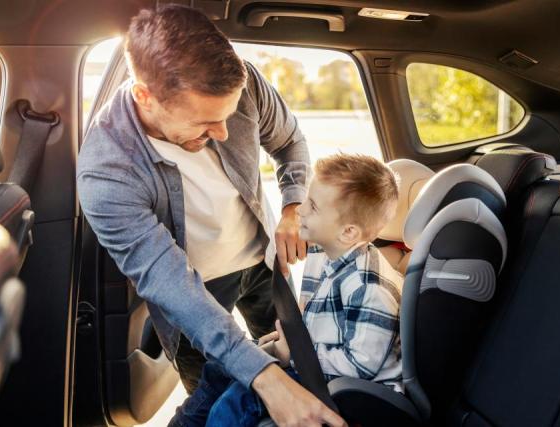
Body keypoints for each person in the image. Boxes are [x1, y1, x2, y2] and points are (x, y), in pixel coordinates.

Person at [76, 5, 343, 426]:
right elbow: (172, 286)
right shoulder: (107, 172)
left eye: (228, 116)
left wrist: (293, 207)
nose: (223, 133)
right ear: (145, 95)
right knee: (218, 408)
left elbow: (290, 142)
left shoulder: (246, 83)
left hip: (261, 263)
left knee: (299, 363)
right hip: (195, 291)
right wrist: (265, 378)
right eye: (205, 122)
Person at [169, 153, 403, 427]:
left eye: (313, 206)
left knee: (239, 398)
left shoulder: (368, 287)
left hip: (345, 387)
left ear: (348, 233)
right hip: (312, 359)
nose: (300, 210)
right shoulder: (324, 251)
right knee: (221, 366)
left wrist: (292, 353)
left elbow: (361, 365)